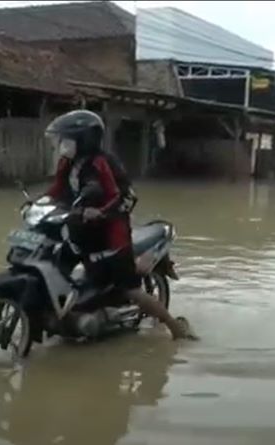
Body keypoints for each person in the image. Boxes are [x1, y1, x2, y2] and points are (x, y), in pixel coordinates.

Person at [43, 109, 195, 340]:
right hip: (80, 230)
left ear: (83, 140)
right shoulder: (68, 163)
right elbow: (58, 192)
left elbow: (126, 196)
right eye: (60, 139)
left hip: (110, 235)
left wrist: (100, 212)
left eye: (66, 139)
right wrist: (39, 205)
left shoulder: (104, 163)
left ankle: (176, 328)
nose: (61, 145)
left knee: (130, 289)